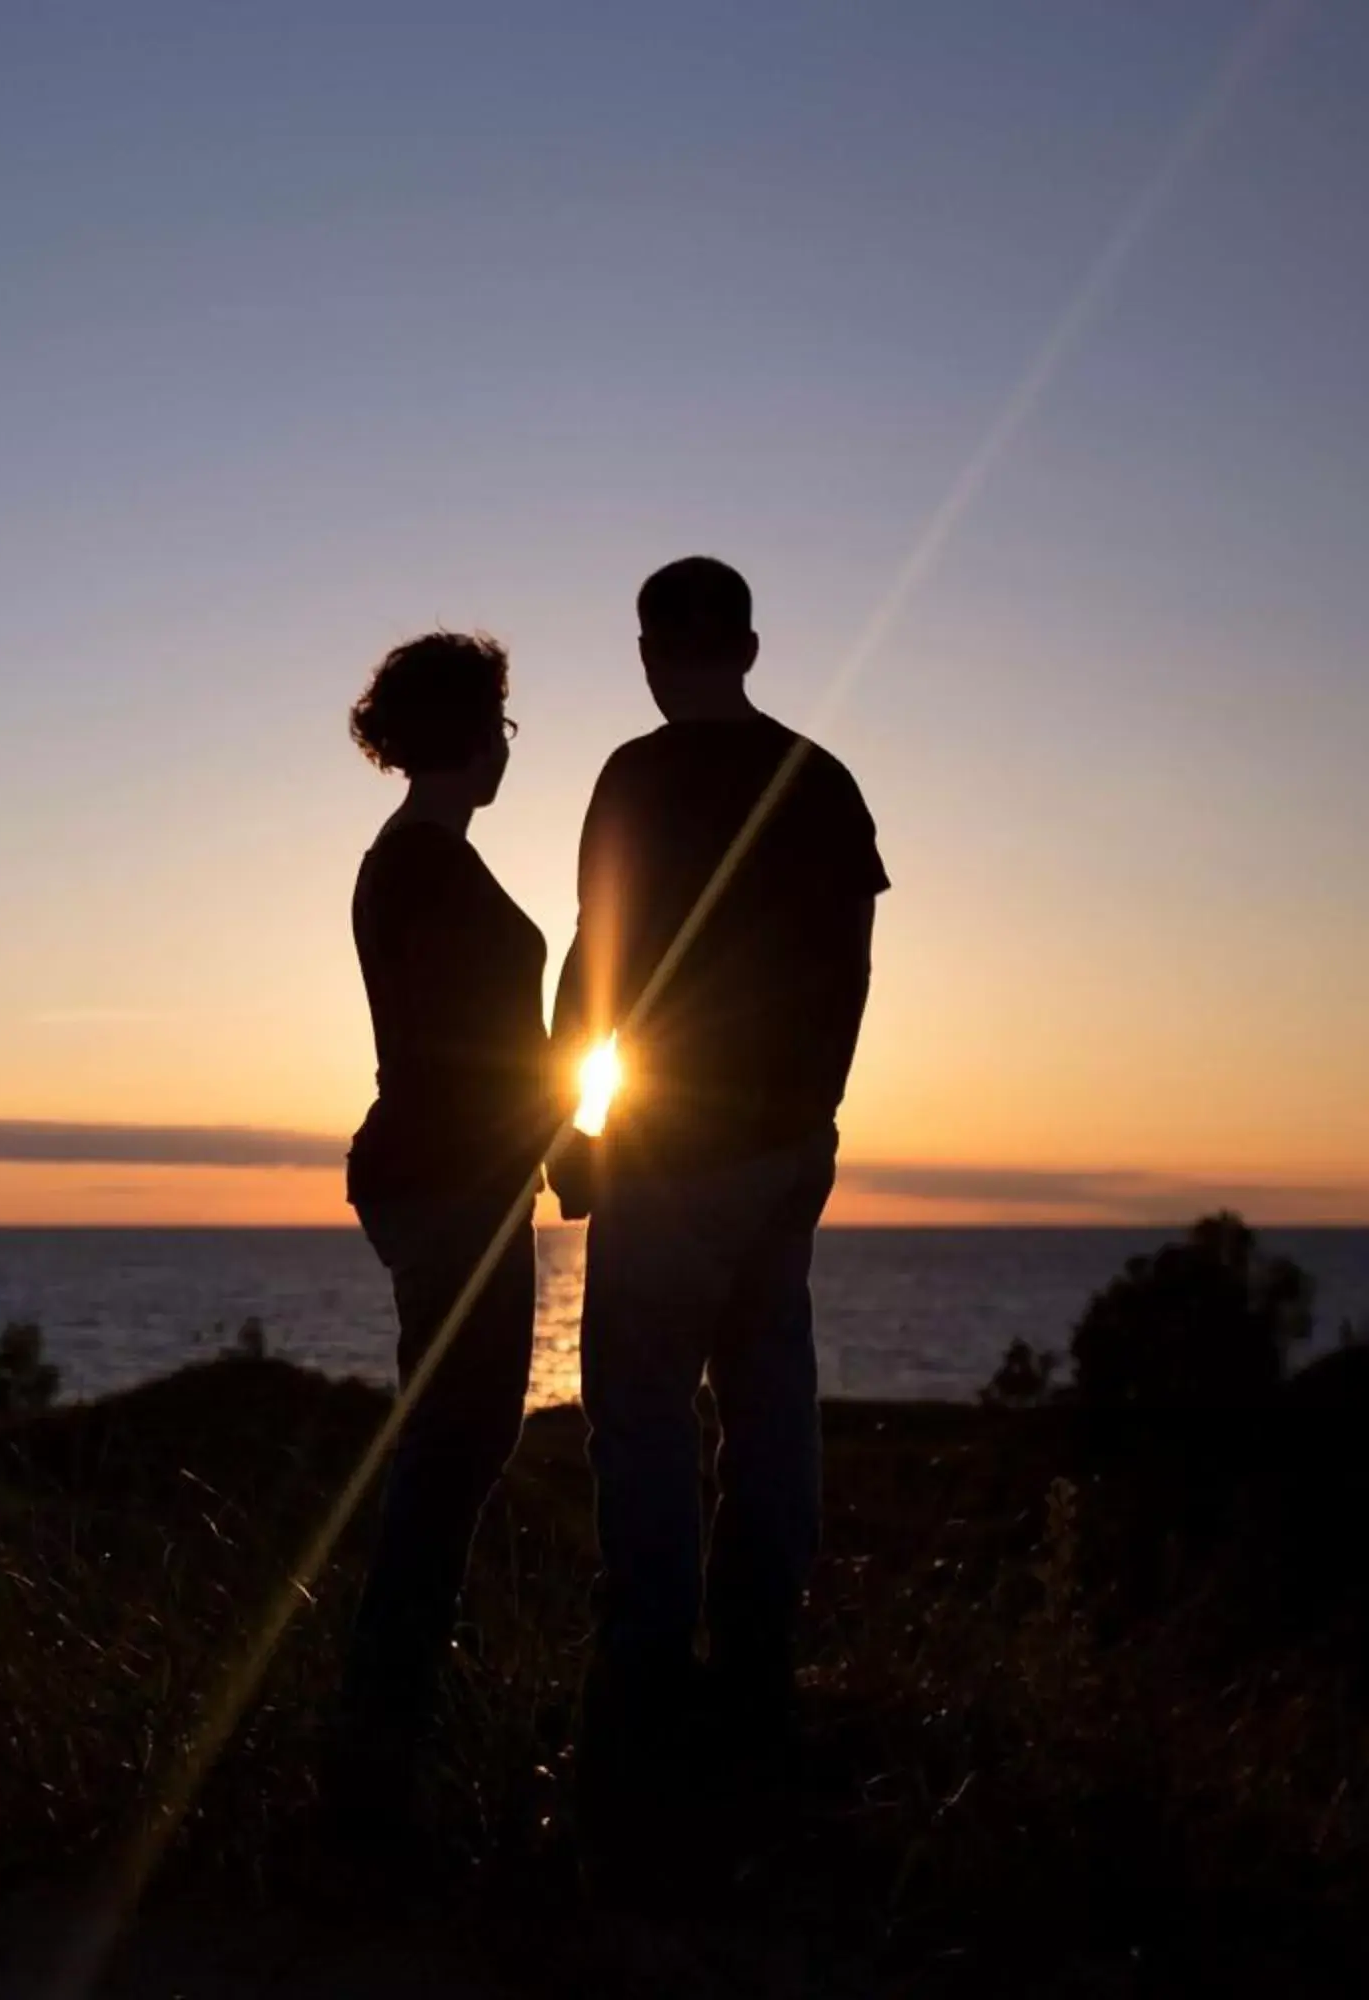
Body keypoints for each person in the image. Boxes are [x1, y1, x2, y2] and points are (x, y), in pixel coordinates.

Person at [551, 556, 887, 1822]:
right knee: (767, 1402)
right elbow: (852, 974)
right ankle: (756, 1681)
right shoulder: (821, 781)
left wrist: (571, 1120)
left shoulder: (633, 779)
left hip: (671, 1148)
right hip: (785, 1146)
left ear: (647, 654)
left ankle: (643, 1690)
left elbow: (597, 960)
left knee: (640, 1412)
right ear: (748, 646)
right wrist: (813, 1122)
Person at [331, 629, 563, 1837]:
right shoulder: (423, 867)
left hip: (453, 1175)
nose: (505, 749)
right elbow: (462, 1052)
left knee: (459, 1446)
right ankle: (377, 1763)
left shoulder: (419, 860)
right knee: (451, 1451)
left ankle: (392, 1733)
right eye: (504, 728)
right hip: (449, 1181)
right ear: (476, 737)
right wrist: (556, 1129)